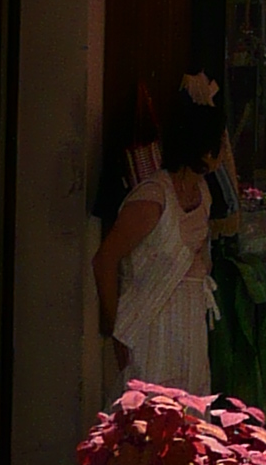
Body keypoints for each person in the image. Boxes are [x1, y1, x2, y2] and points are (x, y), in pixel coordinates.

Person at [93, 83, 226, 393]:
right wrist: (118, 331)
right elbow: (105, 260)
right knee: (150, 417)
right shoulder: (153, 199)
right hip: (151, 325)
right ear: (203, 148)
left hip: (190, 324)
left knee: (190, 418)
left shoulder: (203, 193)